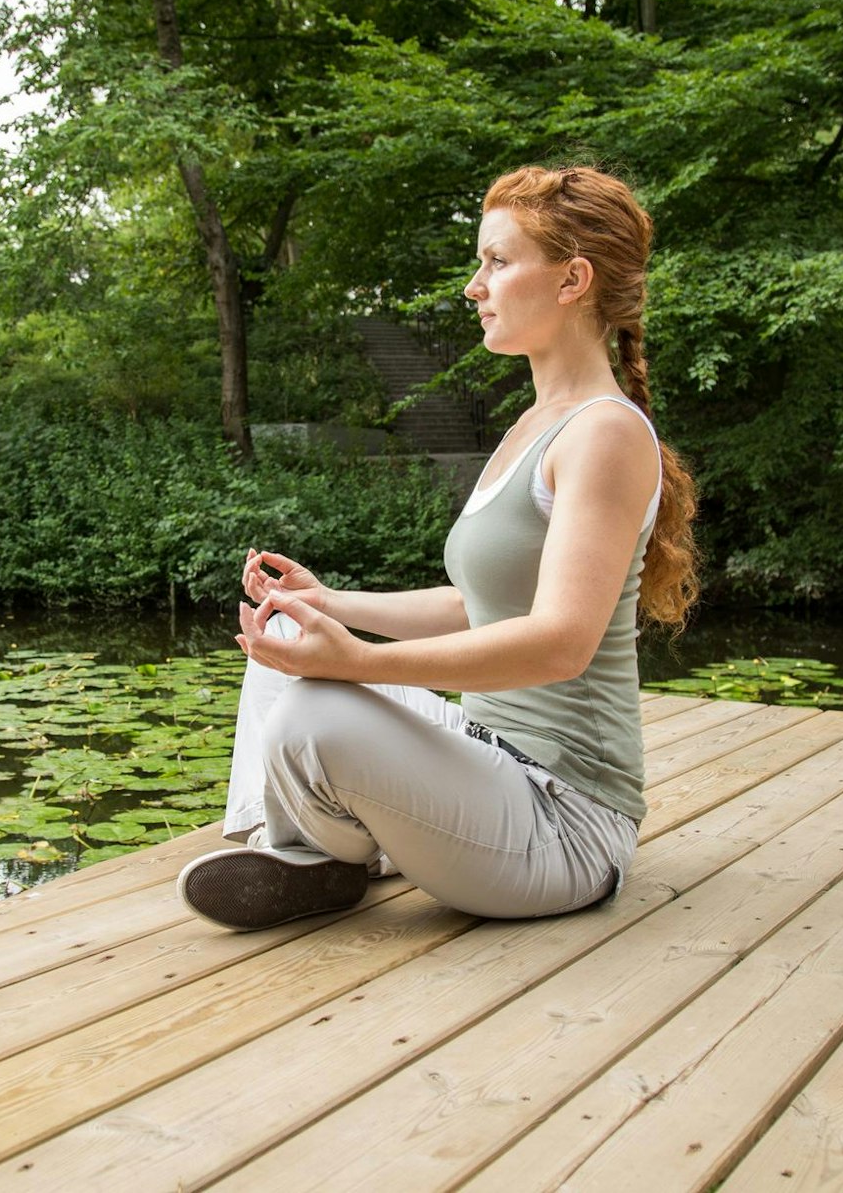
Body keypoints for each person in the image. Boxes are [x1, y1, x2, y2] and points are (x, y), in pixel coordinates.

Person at [176, 164, 699, 931]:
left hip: (565, 821)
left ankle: (325, 850)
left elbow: (560, 644)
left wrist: (358, 661)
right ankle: (316, 853)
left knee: (310, 719)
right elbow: (475, 605)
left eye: (497, 261)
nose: (473, 285)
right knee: (282, 641)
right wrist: (326, 606)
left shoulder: (605, 433)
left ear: (572, 280)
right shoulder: (533, 425)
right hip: (488, 759)